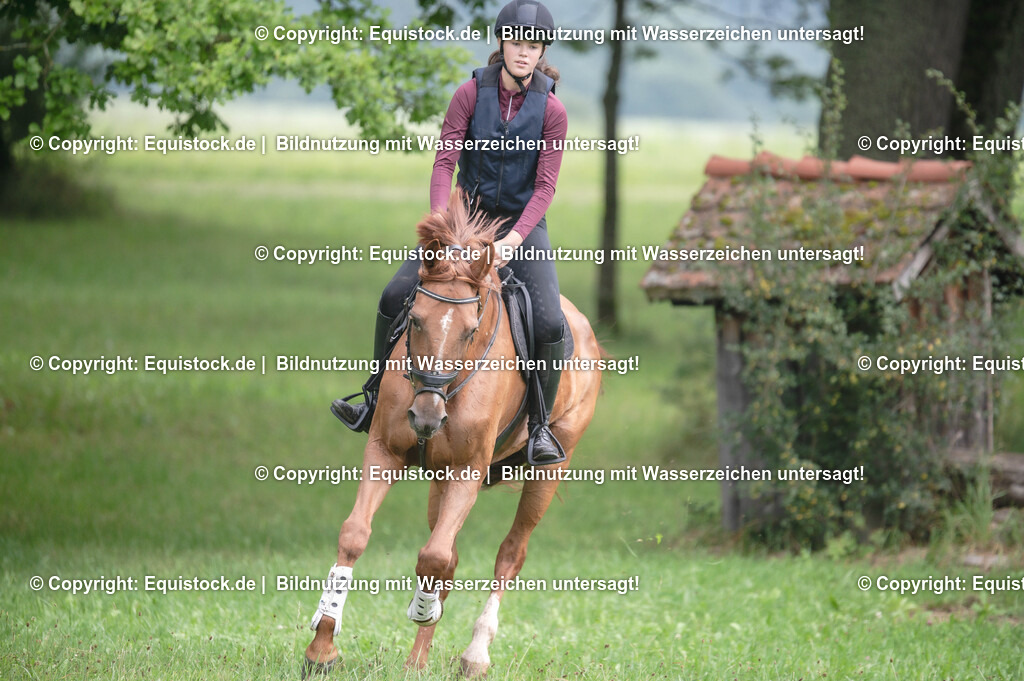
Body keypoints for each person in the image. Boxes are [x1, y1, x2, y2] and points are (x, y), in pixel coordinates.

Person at [331, 0, 568, 465]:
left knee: (549, 323)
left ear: (541, 52)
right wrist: (444, 225)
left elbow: (545, 187)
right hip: (464, 219)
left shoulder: (552, 111)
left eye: (534, 44)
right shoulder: (468, 94)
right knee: (394, 292)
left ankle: (538, 426)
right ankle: (374, 397)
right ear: (502, 43)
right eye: (517, 41)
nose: (524, 51)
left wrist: (513, 240)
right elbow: (445, 162)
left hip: (521, 228)